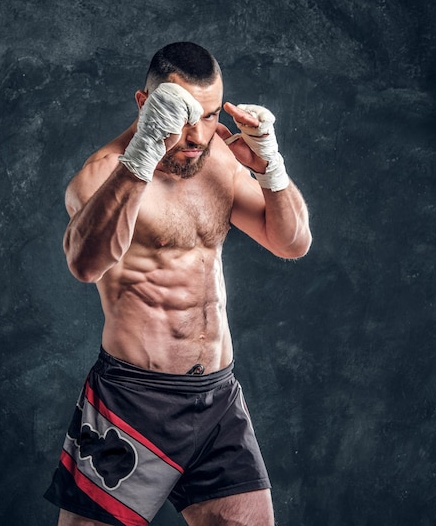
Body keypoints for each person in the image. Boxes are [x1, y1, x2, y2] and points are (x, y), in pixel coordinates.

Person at [44, 41, 312, 526]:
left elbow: (291, 242)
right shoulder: (102, 174)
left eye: (208, 116)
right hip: (134, 399)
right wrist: (145, 153)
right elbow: (84, 264)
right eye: (180, 114)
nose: (195, 133)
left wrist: (271, 166)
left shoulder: (219, 163)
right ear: (146, 105)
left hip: (216, 397)